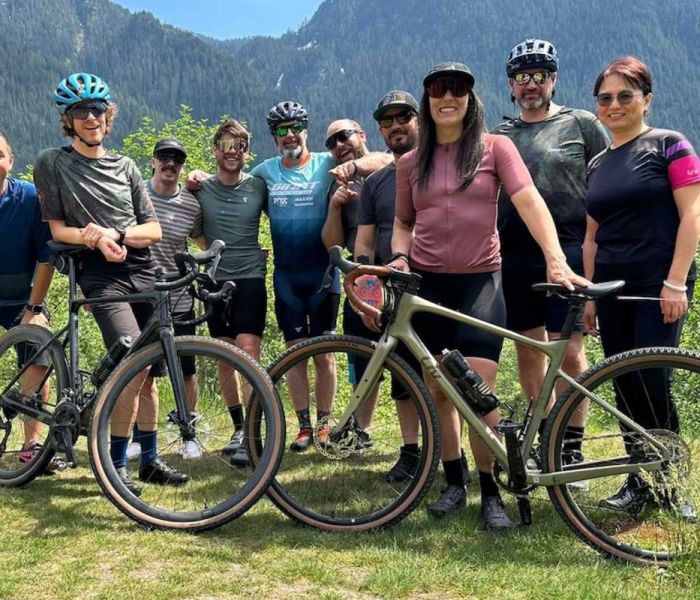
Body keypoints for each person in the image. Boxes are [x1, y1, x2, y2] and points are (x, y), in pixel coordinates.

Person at [389, 62, 586, 528]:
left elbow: (528, 200)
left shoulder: (495, 148)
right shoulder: (409, 163)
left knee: (479, 390)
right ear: (429, 99)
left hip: (481, 282)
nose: (447, 97)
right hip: (430, 283)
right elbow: (402, 222)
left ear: (470, 98)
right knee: (438, 388)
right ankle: (454, 480)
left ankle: (491, 489)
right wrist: (399, 258)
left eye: (457, 88)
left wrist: (555, 258)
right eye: (438, 89)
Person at [34, 72, 187, 495]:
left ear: (108, 115)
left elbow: (152, 229)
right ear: (68, 120)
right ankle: (116, 466)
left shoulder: (126, 166)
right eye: (80, 111)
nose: (90, 118)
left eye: (97, 110)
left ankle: (150, 460)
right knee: (131, 365)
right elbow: (57, 228)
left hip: (142, 270)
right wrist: (92, 236)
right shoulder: (53, 162)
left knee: (150, 371)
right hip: (99, 275)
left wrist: (116, 235)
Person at [583, 56, 700, 512]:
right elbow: (592, 235)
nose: (614, 105)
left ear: (646, 100)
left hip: (656, 282)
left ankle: (671, 483)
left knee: (653, 380)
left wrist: (676, 282)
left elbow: (692, 214)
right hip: (610, 286)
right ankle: (638, 481)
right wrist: (590, 295)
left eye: (625, 96)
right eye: (605, 98)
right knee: (623, 384)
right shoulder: (597, 162)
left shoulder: (670, 144)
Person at [492, 38, 609, 466]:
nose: (530, 84)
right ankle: (545, 437)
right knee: (528, 347)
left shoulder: (581, 124)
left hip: (570, 248)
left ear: (553, 79)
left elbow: (604, 186)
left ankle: (573, 447)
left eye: (539, 75)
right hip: (514, 254)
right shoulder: (500, 135)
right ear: (510, 85)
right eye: (521, 77)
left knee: (571, 349)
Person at [251, 101, 389, 452]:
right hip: (286, 275)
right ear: (274, 137)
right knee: (294, 351)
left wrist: (354, 163)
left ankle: (326, 425)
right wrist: (199, 180)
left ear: (306, 130)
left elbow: (386, 160)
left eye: (295, 127)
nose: (289, 135)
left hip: (323, 273)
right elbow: (233, 184)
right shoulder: (265, 172)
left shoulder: (328, 162)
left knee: (324, 353)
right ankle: (303, 427)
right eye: (281, 130)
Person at [350, 91, 429, 482]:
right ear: (380, 130)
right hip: (391, 291)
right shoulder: (375, 183)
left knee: (446, 374)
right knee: (402, 375)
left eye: (404, 117)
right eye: (388, 121)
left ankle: (453, 455)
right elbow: (363, 244)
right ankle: (411, 451)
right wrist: (368, 293)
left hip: (438, 285)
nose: (397, 126)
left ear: (419, 120)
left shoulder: (437, 170)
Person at [194, 119, 269, 467]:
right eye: (225, 146)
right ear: (214, 151)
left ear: (247, 153)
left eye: (238, 147)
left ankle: (255, 431)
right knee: (224, 356)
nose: (232, 153)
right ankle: (239, 428)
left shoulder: (258, 186)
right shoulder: (200, 188)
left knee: (248, 351)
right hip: (214, 280)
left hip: (251, 277)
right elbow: (191, 230)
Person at [127, 137, 204, 460]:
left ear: (182, 165)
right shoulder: (136, 194)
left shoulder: (192, 204)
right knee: (143, 371)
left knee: (185, 371)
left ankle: (189, 433)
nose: (170, 163)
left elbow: (201, 240)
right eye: (164, 157)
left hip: (180, 296)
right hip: (141, 294)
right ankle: (140, 438)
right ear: (153, 160)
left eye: (177, 159)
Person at [0, 130, 58, 470]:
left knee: (40, 353)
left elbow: (46, 258)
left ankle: (31, 445)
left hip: (24, 296)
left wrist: (34, 310)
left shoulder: (29, 199)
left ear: (10, 161)